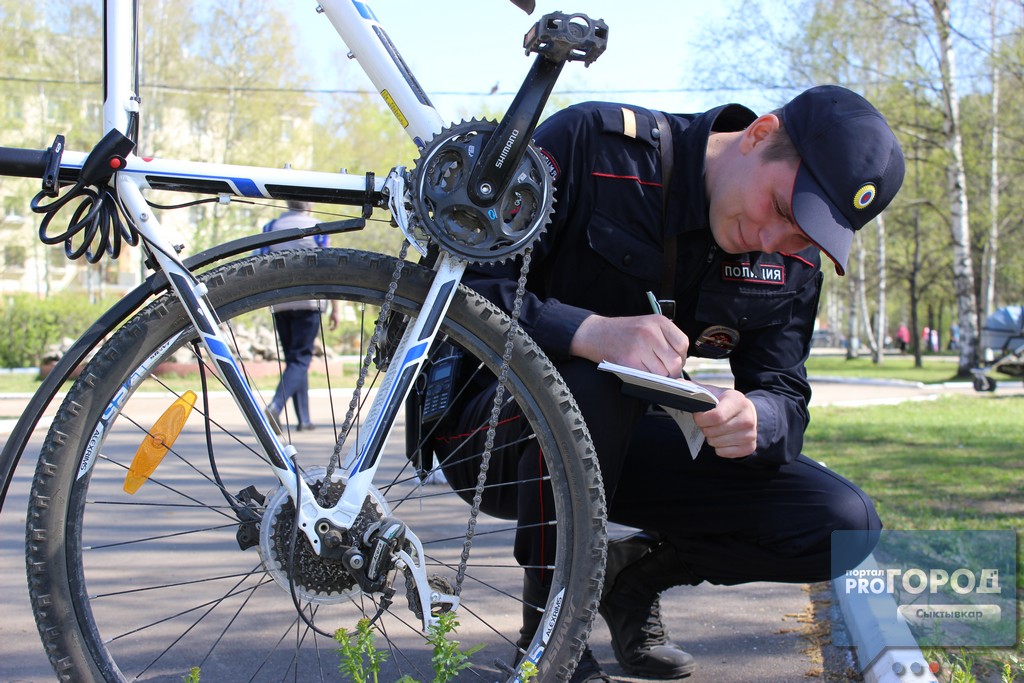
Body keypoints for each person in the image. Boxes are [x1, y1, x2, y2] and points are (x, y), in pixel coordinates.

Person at [423, 85, 904, 682]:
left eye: (809, 238)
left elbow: (785, 393)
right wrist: (588, 332)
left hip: (625, 450)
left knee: (843, 526)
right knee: (592, 384)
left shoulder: (793, 260)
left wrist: (760, 417)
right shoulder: (593, 147)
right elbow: (458, 289)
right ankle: (550, 638)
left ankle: (633, 581)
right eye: (783, 211)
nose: (779, 242)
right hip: (495, 436)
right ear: (758, 135)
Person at [260, 200, 339, 433]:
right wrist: (335, 307)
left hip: (281, 302)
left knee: (295, 360)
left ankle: (304, 419)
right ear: (311, 204)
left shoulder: (271, 227)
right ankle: (275, 405)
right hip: (309, 300)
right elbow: (330, 268)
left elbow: (261, 261)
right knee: (301, 359)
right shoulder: (318, 227)